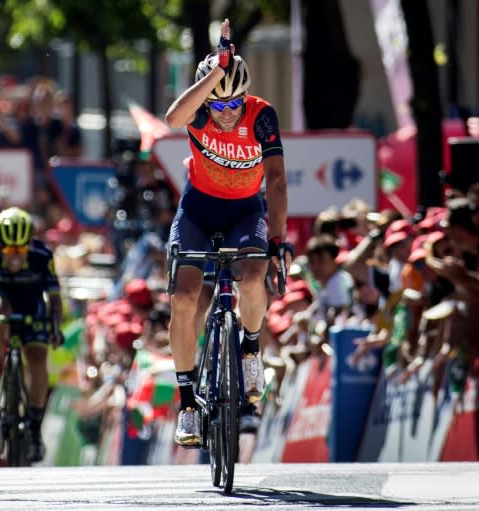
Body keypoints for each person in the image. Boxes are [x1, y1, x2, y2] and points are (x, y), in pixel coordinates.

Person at [164, 18, 291, 446]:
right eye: (219, 106)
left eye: (234, 103)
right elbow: (172, 116)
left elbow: (275, 181)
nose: (227, 112)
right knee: (183, 298)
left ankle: (251, 350)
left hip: (244, 211)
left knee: (253, 277)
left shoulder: (261, 116)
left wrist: (277, 240)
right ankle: (186, 404)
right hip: (198, 211)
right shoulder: (200, 109)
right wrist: (216, 76)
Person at [0, 207, 64, 463]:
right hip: (0, 303)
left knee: (37, 361)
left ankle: (35, 429)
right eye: (8, 251)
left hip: (32, 308)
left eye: (20, 250)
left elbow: (55, 298)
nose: (14, 257)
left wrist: (55, 327)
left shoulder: (41, 255)